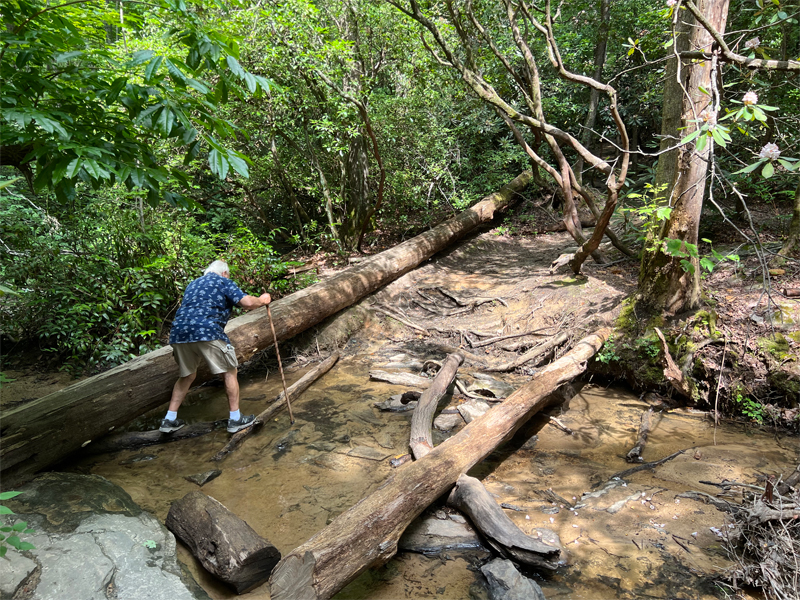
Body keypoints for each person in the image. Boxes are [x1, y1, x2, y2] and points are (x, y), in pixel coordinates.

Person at [160, 260, 271, 434]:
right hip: (207, 331)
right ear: (225, 273)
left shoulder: (193, 284)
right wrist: (262, 300)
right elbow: (247, 303)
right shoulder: (222, 281)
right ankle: (235, 419)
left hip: (178, 334)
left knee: (187, 375)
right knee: (229, 371)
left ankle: (169, 420)